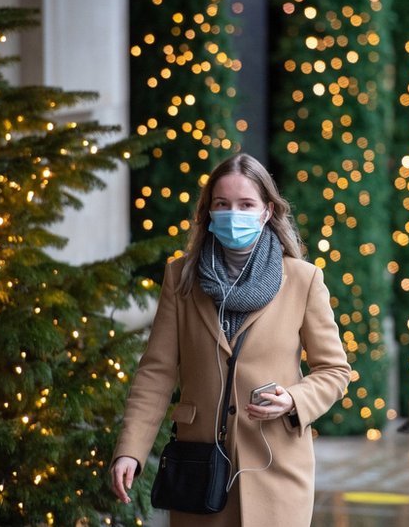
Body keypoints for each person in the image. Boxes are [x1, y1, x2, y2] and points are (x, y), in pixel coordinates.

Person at [110, 153, 351, 526]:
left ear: (267, 211)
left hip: (277, 471)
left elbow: (334, 370)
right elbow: (155, 372)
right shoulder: (181, 277)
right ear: (208, 211)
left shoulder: (303, 279)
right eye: (222, 204)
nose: (232, 213)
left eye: (245, 204)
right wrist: (131, 450)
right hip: (199, 471)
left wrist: (293, 399)